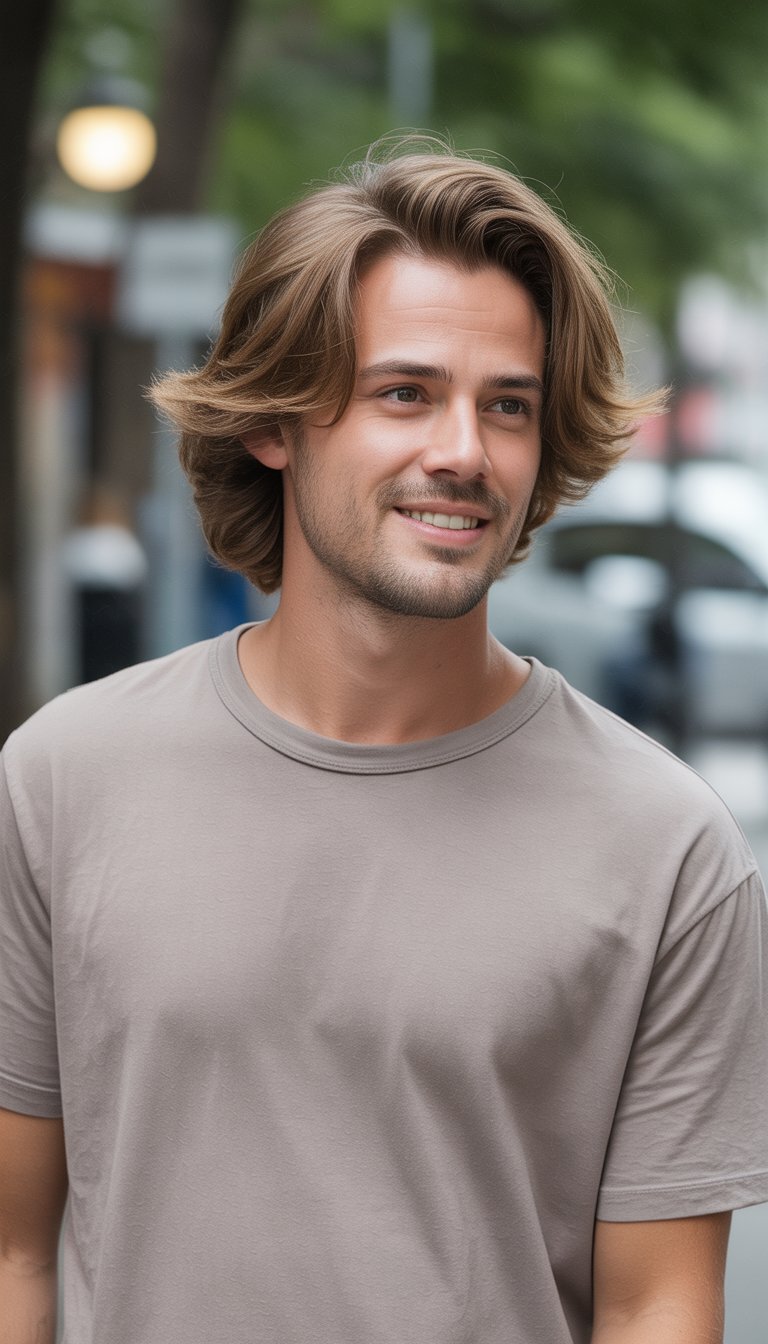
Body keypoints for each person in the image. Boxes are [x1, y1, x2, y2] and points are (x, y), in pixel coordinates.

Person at [1, 137, 767, 1344]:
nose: (464, 450)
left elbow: (659, 1307)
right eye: (405, 392)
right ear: (276, 424)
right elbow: (13, 1253)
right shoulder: (61, 779)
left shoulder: (667, 848)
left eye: (506, 405)